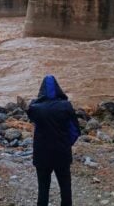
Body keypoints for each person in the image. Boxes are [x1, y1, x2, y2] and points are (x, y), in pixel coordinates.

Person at [26, 75, 80, 206]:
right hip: (62, 153)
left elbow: (31, 114)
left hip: (42, 155)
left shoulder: (34, 108)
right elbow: (75, 131)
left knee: (43, 189)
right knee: (65, 187)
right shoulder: (66, 106)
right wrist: (67, 144)